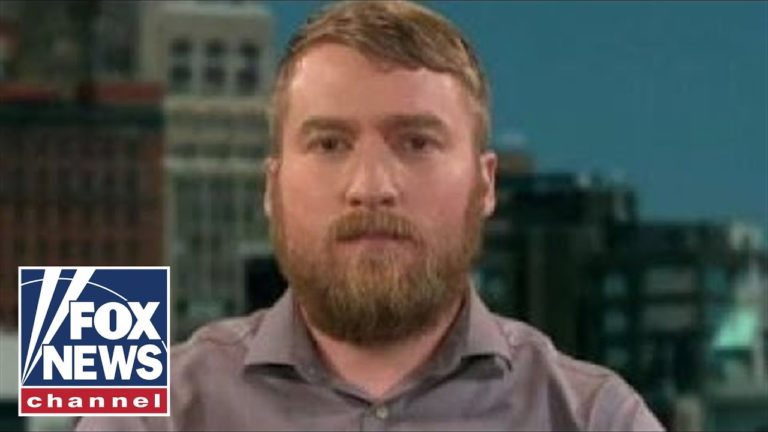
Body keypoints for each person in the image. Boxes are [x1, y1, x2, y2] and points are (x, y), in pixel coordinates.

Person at [77, 1, 663, 430]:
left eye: (416, 143)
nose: (371, 188)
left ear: (485, 184)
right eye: (330, 144)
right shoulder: (151, 414)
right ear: (272, 186)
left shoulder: (594, 417)